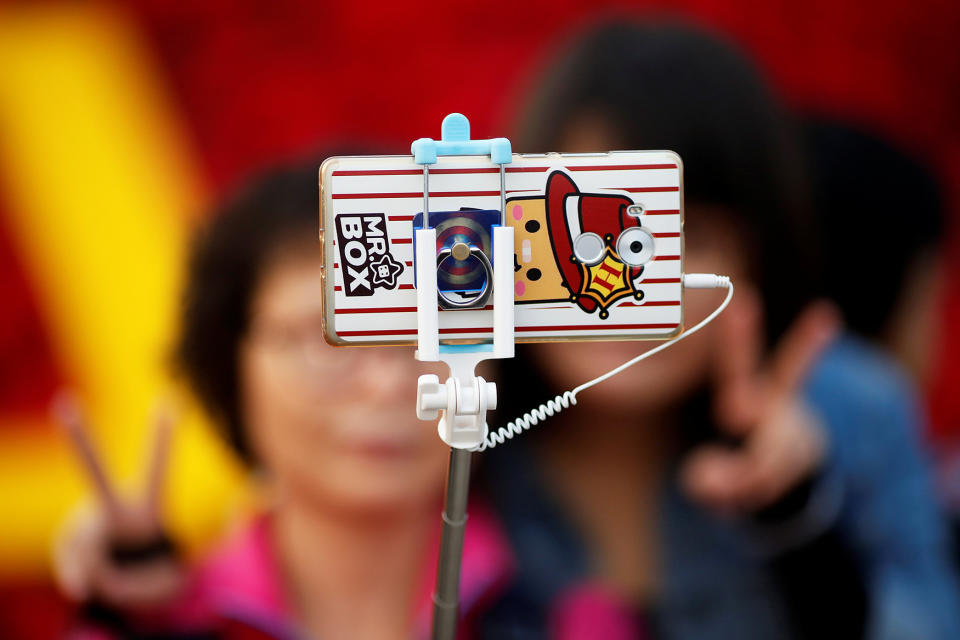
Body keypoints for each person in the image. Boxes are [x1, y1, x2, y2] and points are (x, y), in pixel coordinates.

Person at [475, 20, 960, 639]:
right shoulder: (432, 430)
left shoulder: (851, 415)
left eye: (692, 236)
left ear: (757, 259)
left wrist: (797, 522)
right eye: (587, 227)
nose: (633, 276)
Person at [52, 161, 513, 640]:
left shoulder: (565, 596)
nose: (389, 383)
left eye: (434, 333)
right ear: (229, 360)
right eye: (329, 338)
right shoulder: (149, 622)